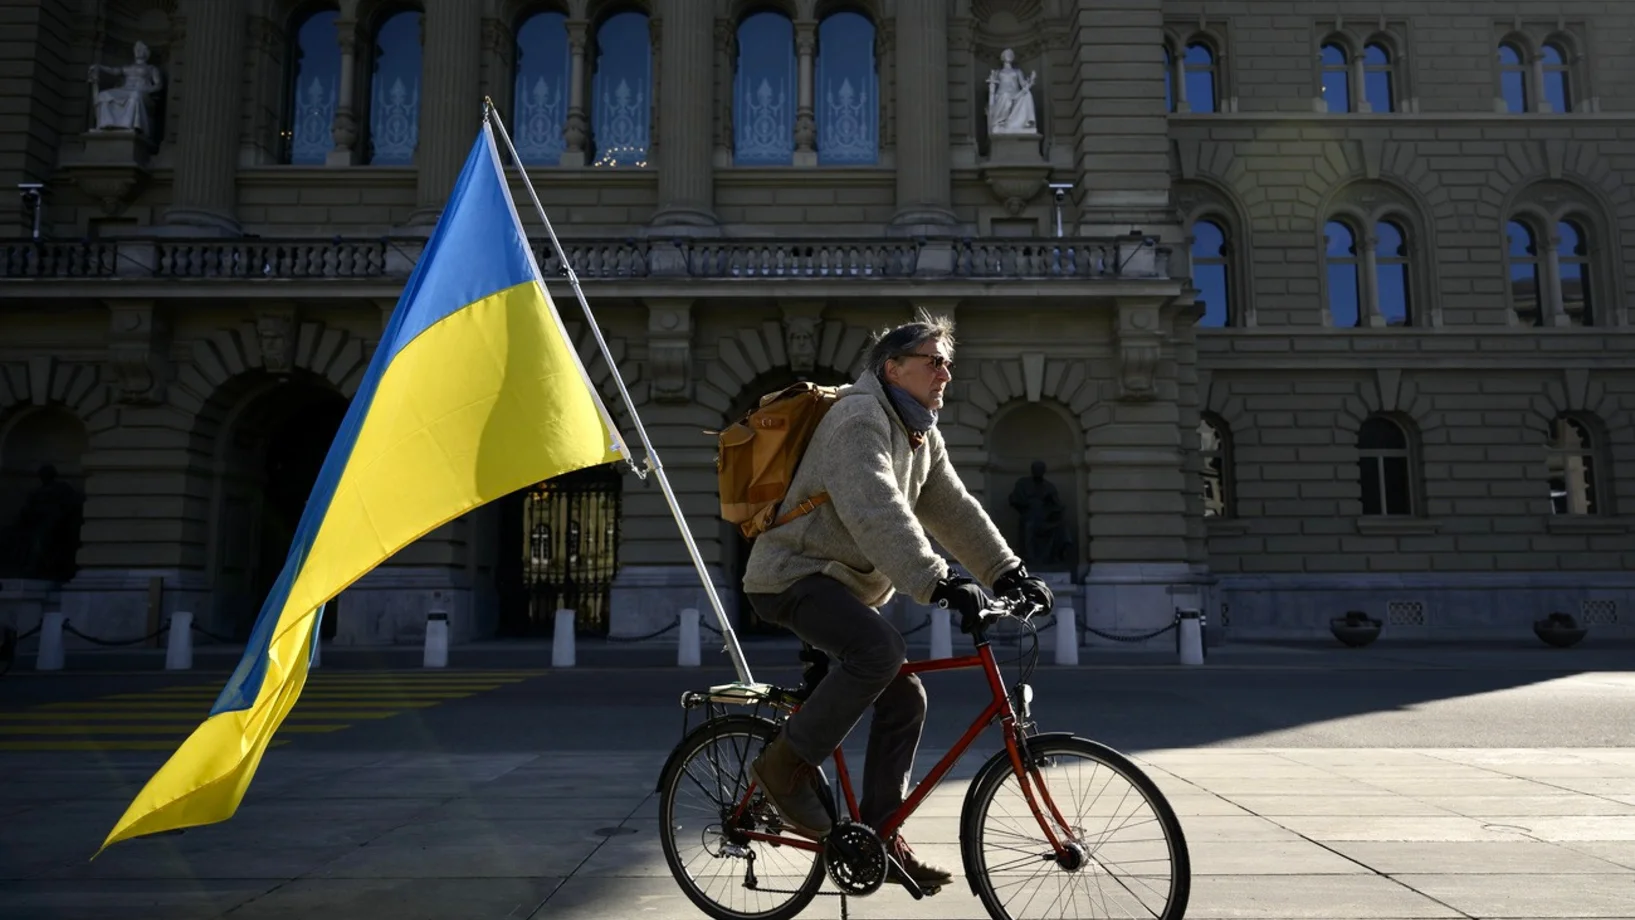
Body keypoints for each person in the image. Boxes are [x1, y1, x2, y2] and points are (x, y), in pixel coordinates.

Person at [742, 312, 1055, 891]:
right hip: (791, 576)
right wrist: (938, 580)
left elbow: (952, 508)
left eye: (949, 364)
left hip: (838, 583)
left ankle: (879, 838)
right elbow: (876, 509)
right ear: (893, 367)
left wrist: (1007, 572)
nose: (946, 374)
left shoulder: (918, 431)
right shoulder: (858, 419)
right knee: (879, 649)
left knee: (905, 697)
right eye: (934, 361)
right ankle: (783, 770)